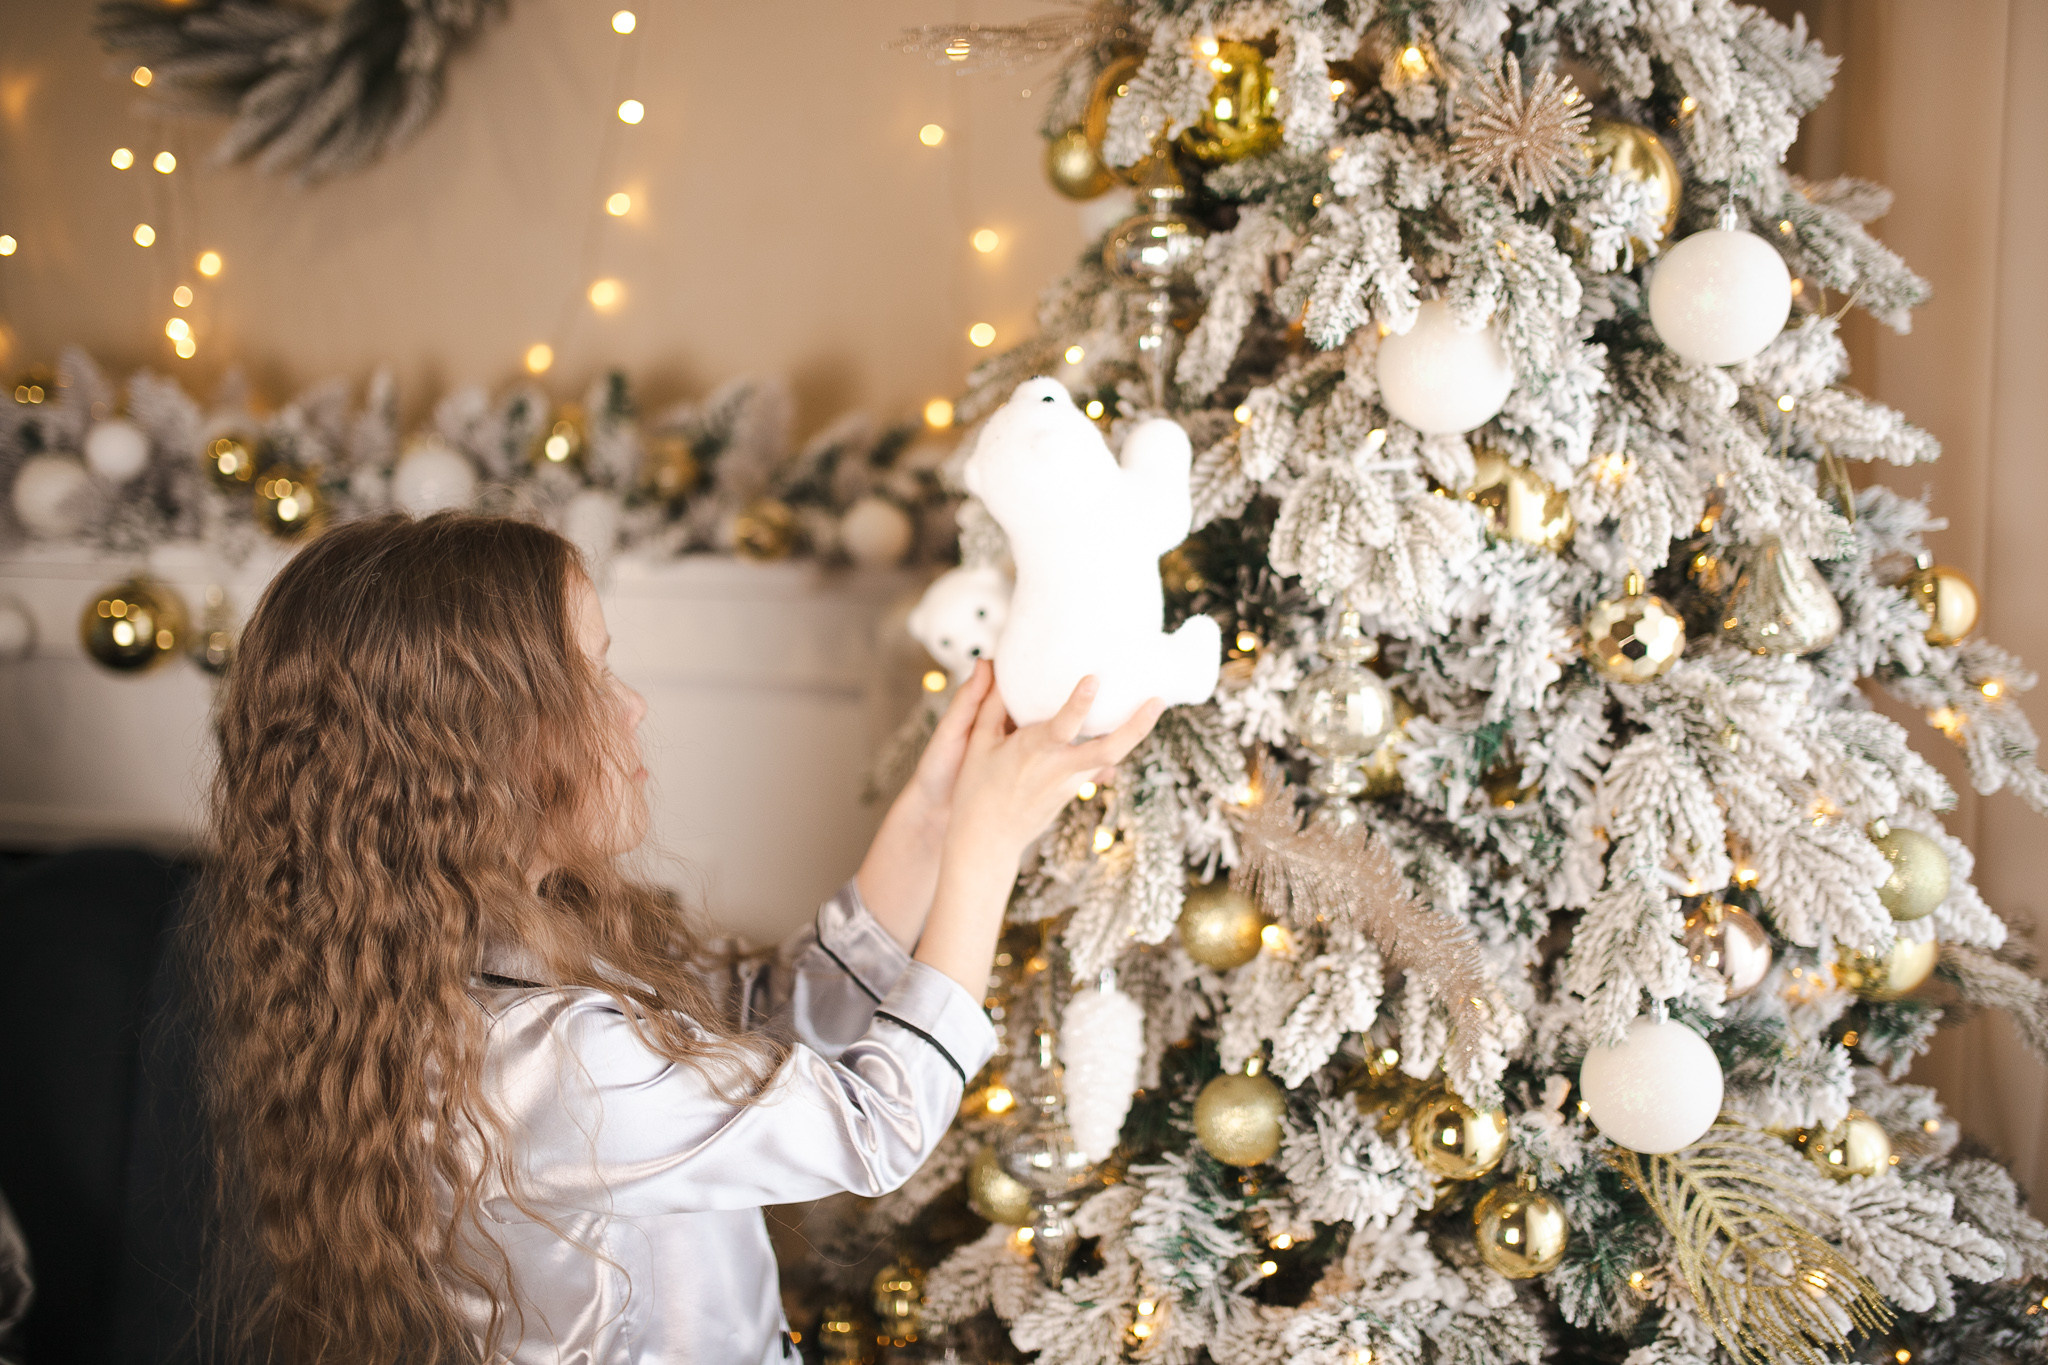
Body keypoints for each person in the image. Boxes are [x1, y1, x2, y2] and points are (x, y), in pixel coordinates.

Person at [192, 511, 1163, 1365]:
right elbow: (874, 1126)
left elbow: (770, 1016)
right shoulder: (541, 1061)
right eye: (588, 674)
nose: (632, 705)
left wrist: (932, 814)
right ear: (481, 750)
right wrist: (987, 848)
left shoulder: (525, 948)